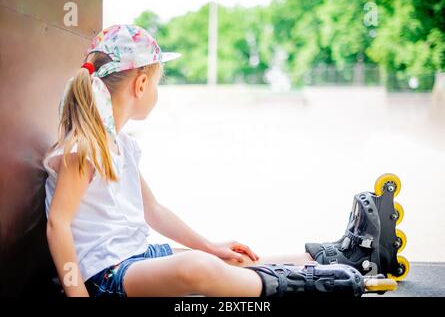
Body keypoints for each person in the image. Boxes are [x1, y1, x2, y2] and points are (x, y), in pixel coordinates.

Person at [43, 24, 369, 298]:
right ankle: (298, 286)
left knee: (222, 260)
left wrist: (210, 246)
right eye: (157, 83)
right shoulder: (83, 148)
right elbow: (58, 225)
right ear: (141, 85)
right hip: (107, 277)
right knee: (196, 268)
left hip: (134, 258)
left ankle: (327, 259)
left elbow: (153, 210)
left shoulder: (120, 144)